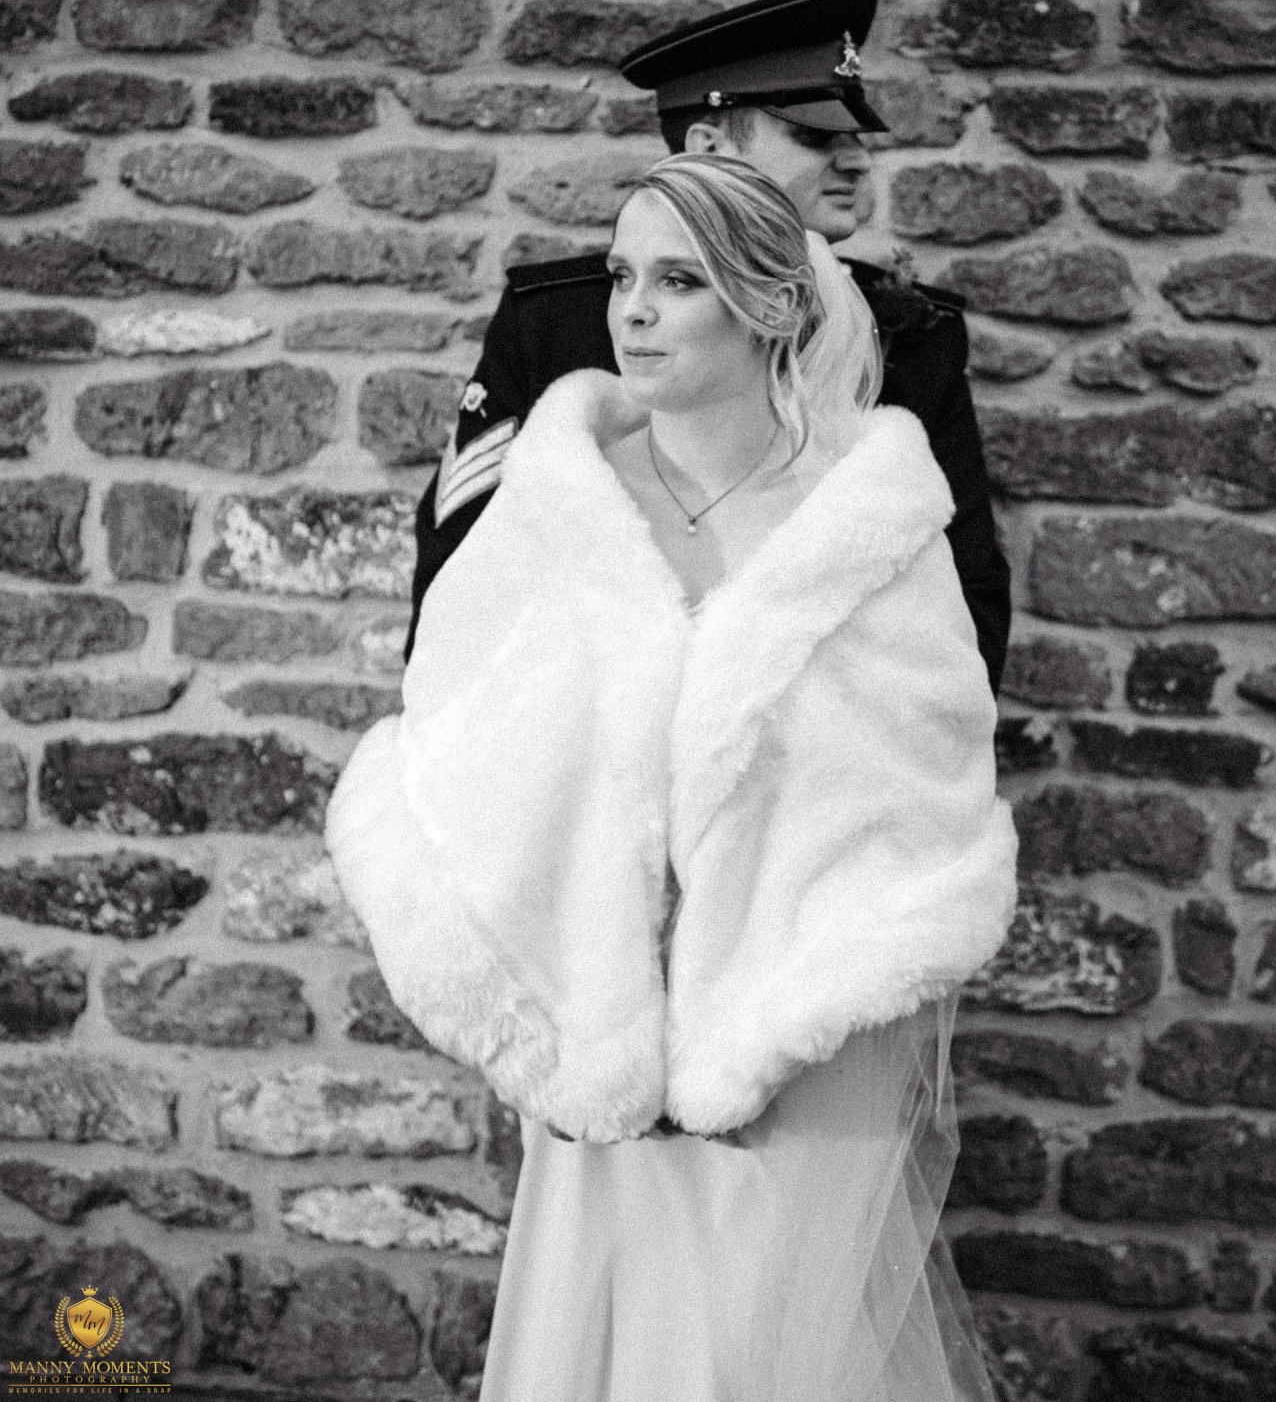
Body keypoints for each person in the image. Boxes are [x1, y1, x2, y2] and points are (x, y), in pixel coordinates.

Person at [326, 153, 1018, 1402]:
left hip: (792, 1070)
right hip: (598, 1062)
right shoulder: (559, 499)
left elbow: (922, 796)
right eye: (621, 276)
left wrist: (769, 1025)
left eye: (678, 282)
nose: (632, 312)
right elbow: (461, 756)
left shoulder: (864, 522)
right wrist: (558, 1028)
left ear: (769, 307)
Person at [406, 0, 1011, 691]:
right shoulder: (560, 325)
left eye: (855, 138)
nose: (857, 160)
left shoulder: (909, 334)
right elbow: (461, 595)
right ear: (709, 148)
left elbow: (963, 618)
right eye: (816, 136)